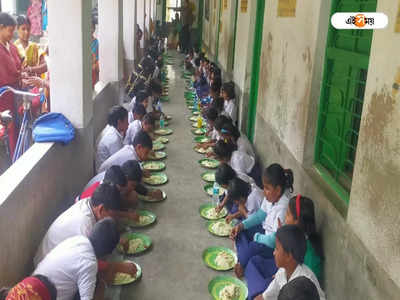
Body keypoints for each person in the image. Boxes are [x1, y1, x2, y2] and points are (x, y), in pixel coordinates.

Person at [245, 195, 323, 299]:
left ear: (297, 220)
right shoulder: (283, 271)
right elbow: (265, 295)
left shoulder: (305, 276)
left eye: (287, 214)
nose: (284, 218)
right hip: (285, 267)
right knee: (253, 262)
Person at [33, 183, 121, 266]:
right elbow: (88, 261)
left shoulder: (89, 203)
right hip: (46, 267)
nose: (113, 219)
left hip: (58, 258)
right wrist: (116, 267)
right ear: (101, 209)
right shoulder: (85, 224)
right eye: (112, 216)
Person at [33, 218, 121, 300]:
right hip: (48, 296)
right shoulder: (89, 263)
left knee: (96, 282)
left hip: (32, 290)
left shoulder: (77, 240)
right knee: (99, 286)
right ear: (106, 252)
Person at [230, 164, 294, 278]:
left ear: (278, 190)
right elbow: (260, 215)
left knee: (252, 249)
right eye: (264, 187)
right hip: (264, 232)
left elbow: (274, 240)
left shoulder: (284, 208)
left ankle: (243, 260)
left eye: (267, 188)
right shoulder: (271, 198)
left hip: (271, 245)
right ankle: (244, 255)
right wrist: (241, 226)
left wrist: (257, 238)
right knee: (242, 229)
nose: (264, 192)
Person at [254, 225, 325, 300]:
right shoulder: (283, 271)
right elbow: (268, 294)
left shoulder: (306, 281)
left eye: (277, 249)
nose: (274, 253)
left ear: (288, 256)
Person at [0, 13, 22, 157]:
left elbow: (18, 68)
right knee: (9, 130)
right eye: (10, 30)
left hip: (16, 94)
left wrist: (23, 73)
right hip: (3, 97)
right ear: (1, 27)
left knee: (19, 128)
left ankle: (18, 157)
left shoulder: (12, 47)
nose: (12, 34)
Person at [95, 105, 129, 171]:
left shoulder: (110, 128)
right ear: (119, 122)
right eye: (126, 121)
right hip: (106, 174)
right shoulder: (113, 139)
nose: (128, 124)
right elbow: (120, 161)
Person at [91, 15, 99, 88]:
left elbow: (97, 60)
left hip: (92, 73)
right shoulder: (81, 43)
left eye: (92, 27)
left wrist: (94, 66)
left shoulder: (96, 42)